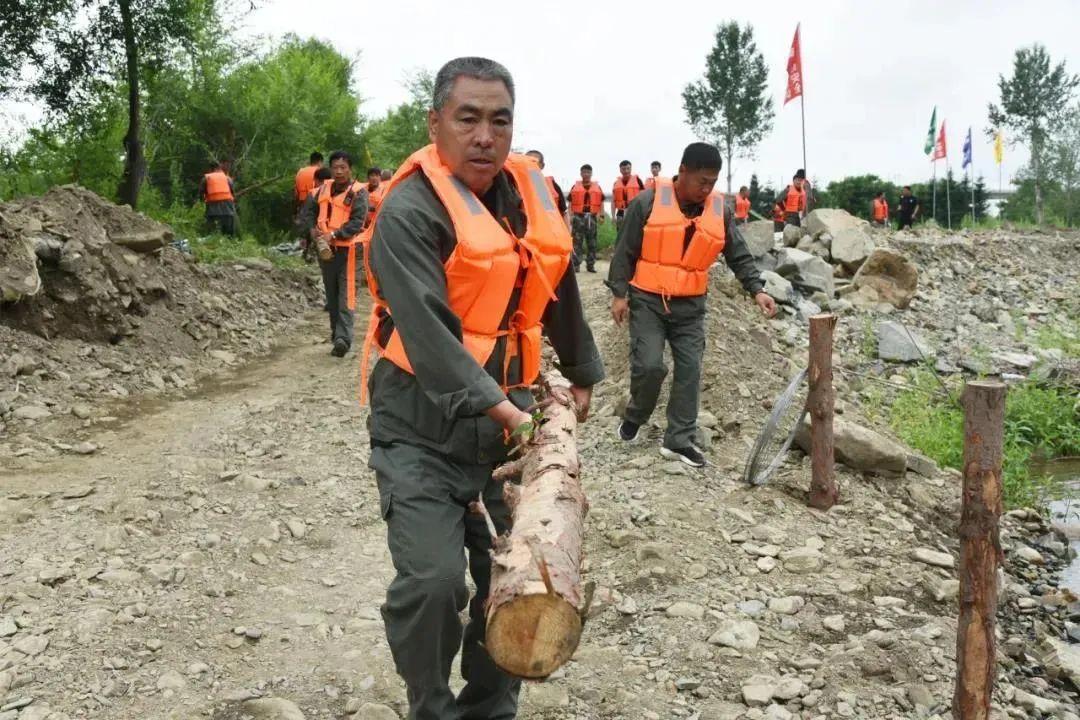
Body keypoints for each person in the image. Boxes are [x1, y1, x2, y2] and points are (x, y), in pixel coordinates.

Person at [363, 57, 604, 720]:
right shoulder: (409, 211)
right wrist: (507, 411)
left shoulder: (532, 191)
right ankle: (431, 706)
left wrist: (581, 374)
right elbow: (432, 340)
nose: (484, 136)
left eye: (499, 121)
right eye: (467, 118)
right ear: (435, 122)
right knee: (434, 584)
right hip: (419, 426)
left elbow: (554, 280)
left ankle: (489, 709)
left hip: (510, 417)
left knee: (521, 584)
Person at [607, 142, 776, 467]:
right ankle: (636, 414)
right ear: (682, 172)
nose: (707, 189)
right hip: (648, 302)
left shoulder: (719, 211)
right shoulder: (647, 202)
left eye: (713, 182)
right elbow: (624, 251)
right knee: (651, 367)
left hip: (691, 308)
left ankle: (678, 441)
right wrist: (618, 294)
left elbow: (738, 254)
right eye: (702, 181)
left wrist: (757, 290)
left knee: (690, 370)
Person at [299, 150, 367, 357]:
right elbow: (307, 214)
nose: (339, 172)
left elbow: (357, 222)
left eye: (343, 168)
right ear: (330, 169)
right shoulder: (319, 192)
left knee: (346, 296)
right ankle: (335, 334)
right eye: (335, 167)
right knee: (332, 294)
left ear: (350, 169)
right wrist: (311, 231)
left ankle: (343, 339)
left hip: (349, 251)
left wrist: (335, 234)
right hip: (325, 252)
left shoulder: (358, 192)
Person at [568, 164, 606, 272]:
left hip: (592, 217)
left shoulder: (597, 187)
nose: (586, 174)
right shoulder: (575, 187)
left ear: (591, 173)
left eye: (588, 172)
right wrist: (570, 216)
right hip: (578, 217)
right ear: (581, 173)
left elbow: (601, 203)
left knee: (592, 242)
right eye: (584, 172)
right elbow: (570, 203)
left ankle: (590, 265)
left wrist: (601, 216)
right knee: (576, 242)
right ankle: (576, 265)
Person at [524, 149, 569, 227]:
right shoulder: (515, 183)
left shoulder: (542, 185)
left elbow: (563, 212)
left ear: (542, 165)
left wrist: (568, 236)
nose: (529, 165)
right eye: (526, 162)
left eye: (534, 162)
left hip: (546, 231)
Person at [199, 161, 237, 236]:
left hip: (212, 203)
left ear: (210, 169)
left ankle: (211, 238)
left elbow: (201, 191)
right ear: (218, 168)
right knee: (228, 226)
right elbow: (232, 191)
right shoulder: (227, 178)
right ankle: (229, 241)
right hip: (227, 203)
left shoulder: (207, 178)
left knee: (212, 225)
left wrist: (203, 201)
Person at [612, 160, 644, 229]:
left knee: (634, 234)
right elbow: (613, 201)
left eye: (628, 168)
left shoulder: (638, 180)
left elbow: (643, 198)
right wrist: (613, 216)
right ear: (620, 170)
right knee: (621, 235)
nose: (626, 171)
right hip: (620, 213)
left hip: (634, 213)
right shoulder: (616, 183)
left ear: (631, 168)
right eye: (623, 169)